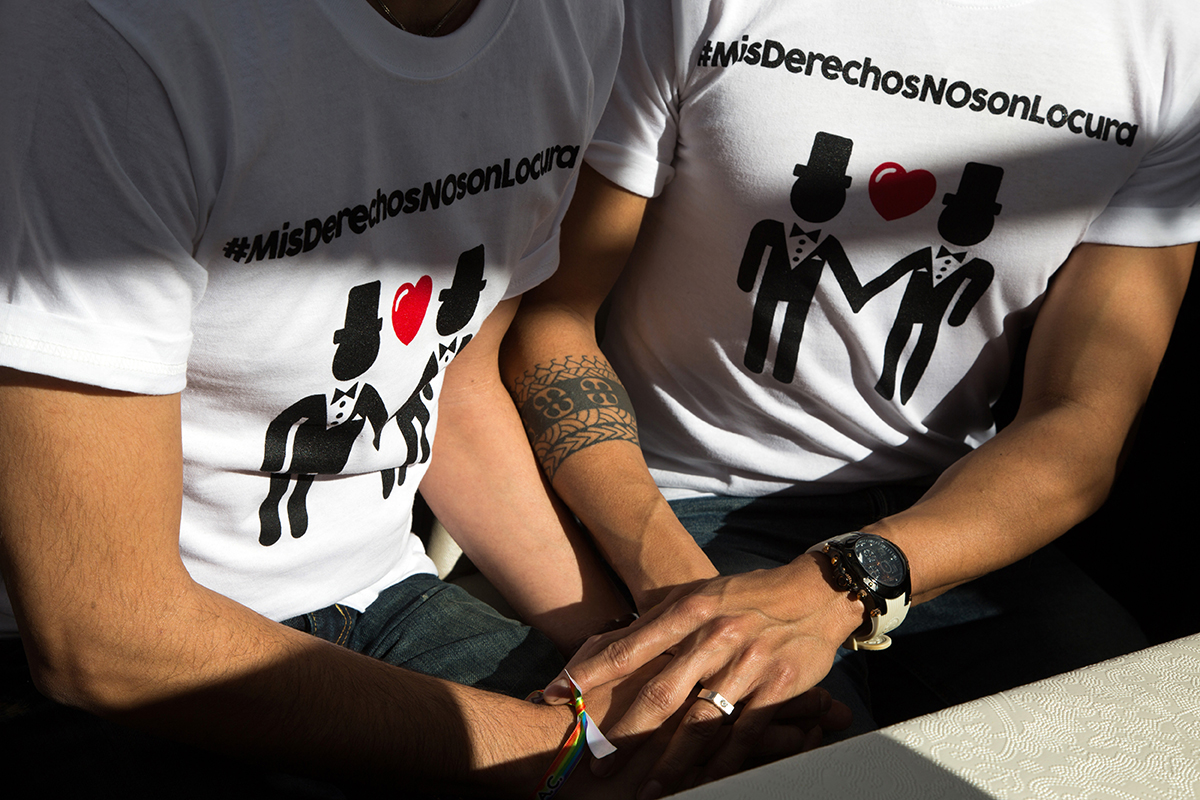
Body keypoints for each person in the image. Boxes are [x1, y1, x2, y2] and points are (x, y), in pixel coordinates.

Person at [500, 0, 1200, 797]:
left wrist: (835, 587)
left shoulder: (1170, 38)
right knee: (808, 775)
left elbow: (1083, 420)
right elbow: (548, 319)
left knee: (1151, 750)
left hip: (945, 517)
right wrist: (684, 596)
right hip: (684, 505)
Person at [0, 1, 694, 796]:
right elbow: (99, 632)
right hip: (111, 664)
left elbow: (451, 385)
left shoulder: (575, 20)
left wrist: (637, 660)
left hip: (383, 596)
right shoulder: (113, 35)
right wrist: (564, 753)